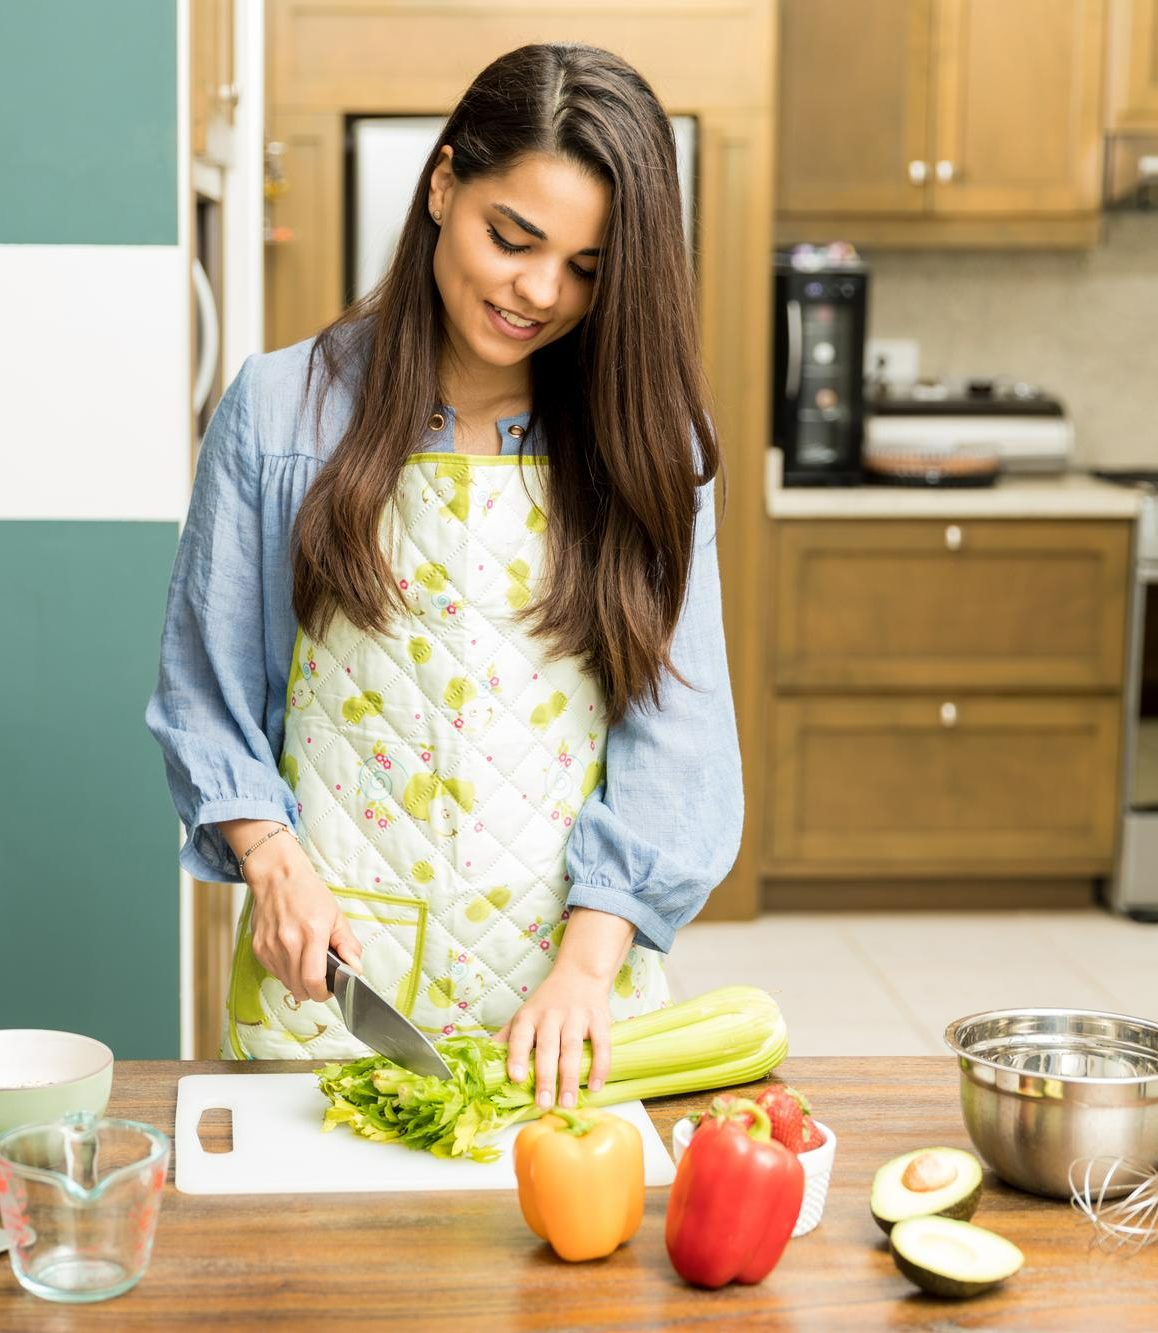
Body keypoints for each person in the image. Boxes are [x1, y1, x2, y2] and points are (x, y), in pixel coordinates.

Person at [146, 42, 741, 1113]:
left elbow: (677, 736)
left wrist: (582, 970)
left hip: (572, 1013)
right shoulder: (281, 411)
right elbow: (205, 688)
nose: (537, 291)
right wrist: (272, 862)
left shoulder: (651, 443)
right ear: (441, 183)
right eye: (511, 238)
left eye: (586, 269)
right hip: (331, 996)